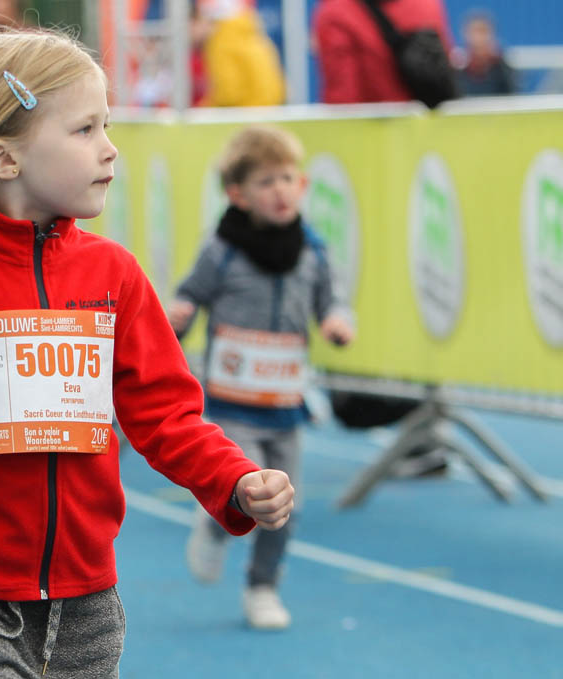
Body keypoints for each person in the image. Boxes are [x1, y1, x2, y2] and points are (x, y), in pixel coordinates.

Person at [0, 27, 295, 677]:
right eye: (85, 130)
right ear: (5, 158)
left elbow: (165, 414)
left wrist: (233, 480)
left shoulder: (115, 276)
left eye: (106, 126)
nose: (110, 148)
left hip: (85, 597)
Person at [168, 125, 355, 630]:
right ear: (238, 194)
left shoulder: (312, 251)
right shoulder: (222, 250)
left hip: (286, 403)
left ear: (303, 184)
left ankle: (263, 586)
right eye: (266, 181)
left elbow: (331, 301)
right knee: (246, 487)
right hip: (234, 403)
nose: (280, 190)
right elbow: (191, 293)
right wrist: (181, 312)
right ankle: (215, 525)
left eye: (287, 178)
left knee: (284, 505)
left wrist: (337, 322)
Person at [312, 0, 453, 104]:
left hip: (372, 132)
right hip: (431, 129)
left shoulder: (336, 12)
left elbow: (342, 101)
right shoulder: (428, 3)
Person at [454, 10, 516, 97]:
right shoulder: (457, 69)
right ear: (464, 34)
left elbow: (512, 96)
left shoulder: (503, 69)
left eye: (483, 32)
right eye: (474, 32)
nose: (478, 38)